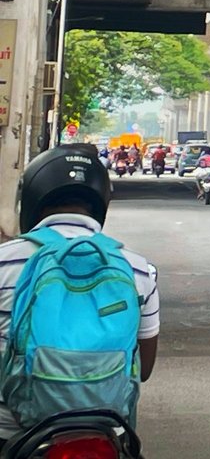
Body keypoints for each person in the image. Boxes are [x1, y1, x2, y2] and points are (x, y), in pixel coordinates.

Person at [0, 147, 159, 441]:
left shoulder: (4, 260)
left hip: (11, 430)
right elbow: (144, 369)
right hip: (104, 428)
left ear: (32, 198)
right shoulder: (138, 269)